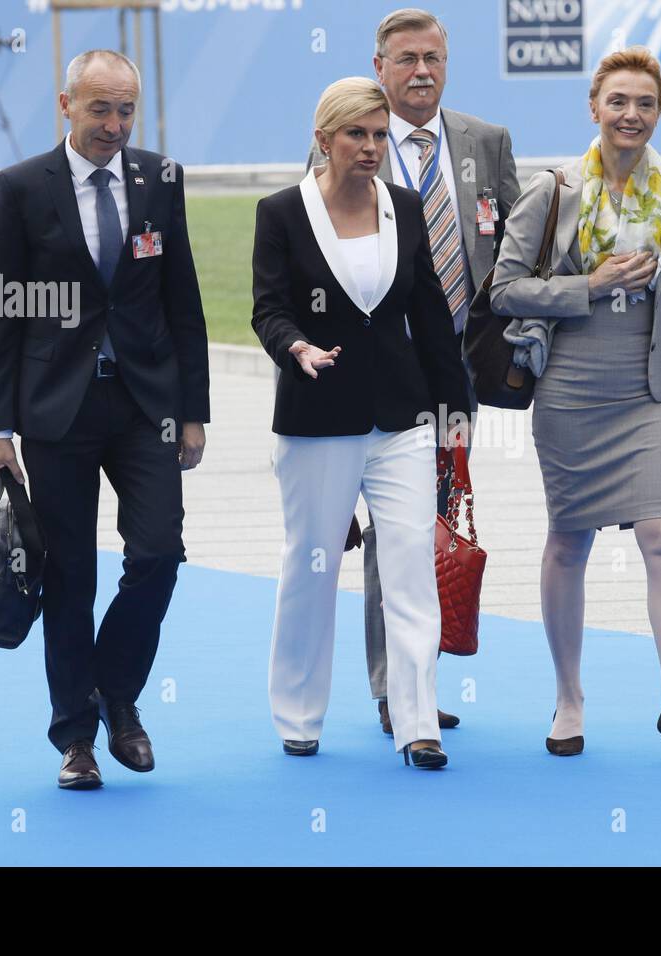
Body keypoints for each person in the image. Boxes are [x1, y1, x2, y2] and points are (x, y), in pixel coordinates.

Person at [489, 47, 661, 759]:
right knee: (570, 541)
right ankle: (569, 699)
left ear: (659, 112)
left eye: (645, 104)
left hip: (651, 387)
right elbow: (503, 289)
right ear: (594, 108)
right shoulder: (555, 189)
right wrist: (588, 287)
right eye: (618, 102)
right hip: (570, 387)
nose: (631, 115)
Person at [0, 50, 211, 789]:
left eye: (126, 110)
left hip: (146, 406)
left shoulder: (160, 179)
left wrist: (195, 413)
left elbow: (184, 300)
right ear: (66, 104)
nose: (114, 125)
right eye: (100, 109)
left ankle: (116, 690)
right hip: (57, 411)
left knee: (157, 554)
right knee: (70, 577)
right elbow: (2, 311)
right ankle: (76, 738)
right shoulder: (20, 188)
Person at [306, 7, 520, 736]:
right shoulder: (345, 148)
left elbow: (514, 255)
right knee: (391, 532)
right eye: (405, 59)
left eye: (431, 57)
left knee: (432, 526)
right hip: (376, 372)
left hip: (458, 368)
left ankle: (415, 681)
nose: (420, 71)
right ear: (379, 67)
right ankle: (393, 689)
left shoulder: (486, 144)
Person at [254, 76, 470, 769]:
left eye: (379, 135)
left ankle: (416, 725)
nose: (372, 147)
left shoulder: (405, 208)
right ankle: (297, 714)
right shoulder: (282, 213)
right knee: (312, 569)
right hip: (317, 419)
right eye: (357, 135)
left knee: (410, 567)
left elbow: (432, 317)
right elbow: (268, 307)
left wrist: (455, 412)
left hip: (401, 419)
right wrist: (295, 347)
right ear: (325, 140)